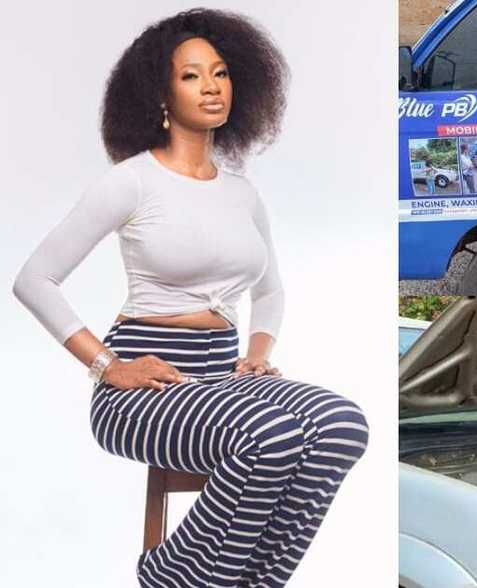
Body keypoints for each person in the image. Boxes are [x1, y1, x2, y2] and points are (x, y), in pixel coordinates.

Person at [11, 9, 368, 587]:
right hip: (148, 386)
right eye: (191, 76)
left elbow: (270, 287)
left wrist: (257, 351)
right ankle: (171, 575)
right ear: (160, 93)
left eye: (221, 73)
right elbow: (34, 279)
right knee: (274, 437)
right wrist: (110, 367)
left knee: (343, 425)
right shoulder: (131, 180)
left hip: (225, 377)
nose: (211, 87)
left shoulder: (241, 193)